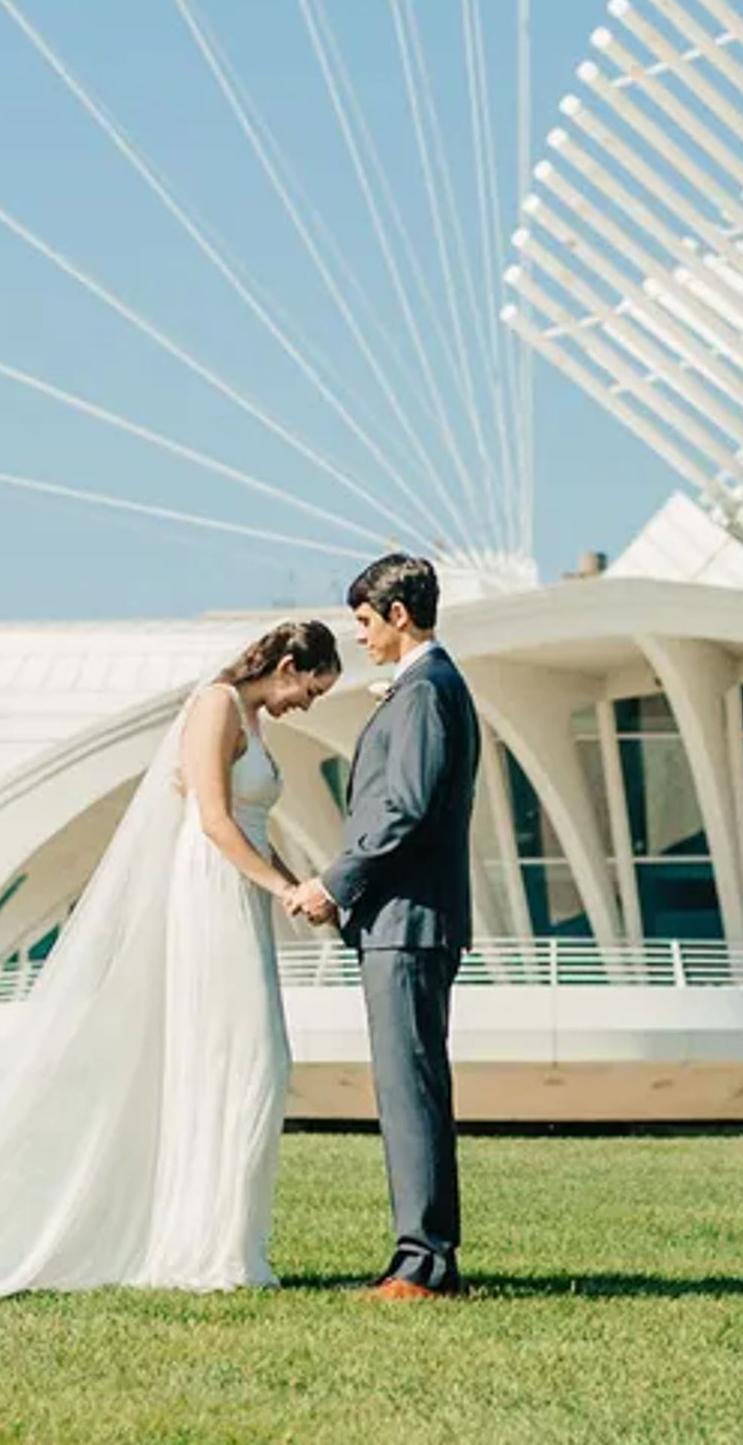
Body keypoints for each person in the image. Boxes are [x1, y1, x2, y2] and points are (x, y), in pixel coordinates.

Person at [0, 618, 342, 1306]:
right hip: (210, 892)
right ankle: (200, 1247)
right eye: (308, 690)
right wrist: (282, 886)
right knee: (237, 1056)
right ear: (285, 662)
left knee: (255, 1060)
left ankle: (226, 1239)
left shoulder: (252, 720)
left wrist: (298, 885)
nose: (304, 706)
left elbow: (253, 827)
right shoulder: (215, 705)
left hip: (243, 898)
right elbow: (215, 821)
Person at [280, 552, 479, 1299]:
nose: (359, 635)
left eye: (364, 620)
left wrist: (335, 884)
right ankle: (425, 1257)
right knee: (411, 1086)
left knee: (410, 1088)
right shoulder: (424, 689)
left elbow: (405, 807)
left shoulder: (426, 692)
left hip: (408, 920)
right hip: (405, 918)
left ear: (399, 616)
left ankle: (423, 1263)